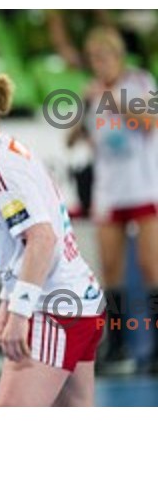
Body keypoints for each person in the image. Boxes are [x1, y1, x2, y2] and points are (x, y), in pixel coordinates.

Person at [0, 70, 105, 406]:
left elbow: (41, 240)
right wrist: (7, 298)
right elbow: (24, 245)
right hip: (78, 302)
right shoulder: (1, 154)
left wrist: (20, 312)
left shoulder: (0, 164)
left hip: (55, 307)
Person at [74, 27, 158, 371]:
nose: (100, 64)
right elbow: (74, 139)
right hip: (109, 190)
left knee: (151, 267)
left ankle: (154, 348)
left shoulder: (139, 81)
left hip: (143, 185)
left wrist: (113, 98)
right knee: (110, 270)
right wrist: (82, 108)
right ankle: (118, 344)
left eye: (104, 56)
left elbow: (149, 122)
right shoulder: (91, 92)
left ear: (118, 56)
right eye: (94, 58)